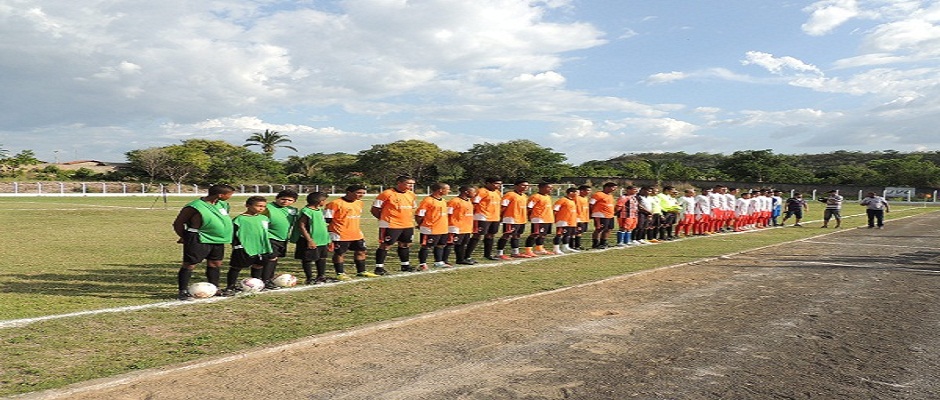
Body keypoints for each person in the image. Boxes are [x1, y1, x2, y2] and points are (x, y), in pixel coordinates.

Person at [172, 184, 235, 300]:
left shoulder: (223, 204)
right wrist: (185, 236)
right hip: (199, 237)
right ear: (220, 195)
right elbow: (178, 223)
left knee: (215, 263)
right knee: (190, 263)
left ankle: (214, 288)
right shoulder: (194, 206)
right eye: (229, 195)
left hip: (217, 239)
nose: (231, 197)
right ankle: (183, 291)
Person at [224, 196, 274, 296]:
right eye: (258, 206)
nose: (261, 208)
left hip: (261, 247)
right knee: (236, 267)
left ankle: (256, 284)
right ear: (248, 206)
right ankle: (230, 286)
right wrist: (237, 245)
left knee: (258, 265)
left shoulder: (264, 218)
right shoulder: (240, 219)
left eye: (263, 206)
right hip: (244, 247)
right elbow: (232, 234)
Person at [324, 185, 378, 278]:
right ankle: (340, 273)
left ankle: (361, 271)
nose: (361, 195)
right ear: (349, 192)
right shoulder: (335, 203)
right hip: (339, 233)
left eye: (363, 193)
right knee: (340, 253)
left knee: (361, 251)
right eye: (359, 193)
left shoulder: (359, 203)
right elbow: (327, 219)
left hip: (356, 233)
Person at [294, 192, 344, 284]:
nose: (324, 202)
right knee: (308, 259)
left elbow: (323, 226)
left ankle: (321, 276)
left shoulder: (319, 210)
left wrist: (328, 240)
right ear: (319, 201)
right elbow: (301, 226)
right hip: (310, 240)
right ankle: (309, 278)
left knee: (322, 258)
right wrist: (309, 240)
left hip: (322, 239)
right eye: (324, 200)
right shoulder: (306, 211)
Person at [371, 175, 418, 274]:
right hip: (390, 224)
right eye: (409, 183)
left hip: (407, 224)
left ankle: (405, 265)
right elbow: (375, 209)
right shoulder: (387, 193)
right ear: (399, 183)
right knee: (385, 245)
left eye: (412, 184)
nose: (411, 186)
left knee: (405, 244)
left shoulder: (411, 194)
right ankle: (379, 268)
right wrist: (383, 219)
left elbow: (412, 207)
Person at [261, 189, 298, 290]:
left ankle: (269, 278)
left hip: (282, 238)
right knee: (271, 258)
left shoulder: (293, 210)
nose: (286, 201)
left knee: (275, 258)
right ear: (277, 198)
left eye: (290, 200)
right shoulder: (267, 208)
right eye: (283, 199)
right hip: (269, 236)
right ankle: (266, 280)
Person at [416, 183, 451, 270]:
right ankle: (422, 264)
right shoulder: (428, 200)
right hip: (430, 228)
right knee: (426, 246)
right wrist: (421, 224)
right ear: (440, 190)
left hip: (442, 228)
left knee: (440, 245)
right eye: (447, 189)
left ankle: (438, 262)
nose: (449, 191)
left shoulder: (442, 200)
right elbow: (419, 215)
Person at [467, 177, 502, 261]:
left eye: (499, 184)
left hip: (494, 217)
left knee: (490, 235)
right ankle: (467, 255)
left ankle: (488, 254)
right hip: (482, 216)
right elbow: (474, 203)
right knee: (477, 235)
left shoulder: (497, 192)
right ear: (488, 183)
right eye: (496, 183)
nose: (498, 185)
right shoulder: (481, 191)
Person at [497, 180, 530, 259]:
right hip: (511, 218)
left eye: (527, 186)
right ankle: (499, 253)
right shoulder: (510, 195)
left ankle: (515, 252)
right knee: (507, 235)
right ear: (516, 186)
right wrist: (500, 216)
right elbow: (503, 206)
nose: (525, 187)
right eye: (523, 185)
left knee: (517, 235)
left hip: (521, 219)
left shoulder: (524, 196)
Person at [447, 185, 477, 265]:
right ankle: (445, 260)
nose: (475, 194)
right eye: (473, 192)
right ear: (466, 192)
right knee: (453, 243)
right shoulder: (454, 201)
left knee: (463, 244)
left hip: (466, 226)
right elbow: (448, 213)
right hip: (456, 226)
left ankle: (462, 259)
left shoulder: (468, 201)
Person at [524, 183, 554, 256]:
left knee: (543, 235)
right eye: (549, 187)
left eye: (551, 188)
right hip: (538, 218)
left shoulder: (548, 196)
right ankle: (528, 250)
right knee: (535, 234)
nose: (551, 189)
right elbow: (529, 207)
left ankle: (539, 248)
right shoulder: (535, 197)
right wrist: (530, 216)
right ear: (541, 188)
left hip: (547, 218)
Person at [590, 182, 618, 249]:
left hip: (610, 215)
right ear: (607, 187)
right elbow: (591, 204)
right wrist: (592, 213)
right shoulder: (598, 194)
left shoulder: (610, 195)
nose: (614, 189)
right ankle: (595, 243)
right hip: (600, 215)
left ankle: (603, 242)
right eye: (613, 187)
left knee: (609, 228)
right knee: (599, 229)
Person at [552, 187, 580, 254]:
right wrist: (556, 219)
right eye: (576, 192)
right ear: (571, 193)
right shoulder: (562, 200)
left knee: (567, 234)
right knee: (559, 234)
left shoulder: (572, 201)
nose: (578, 194)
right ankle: (556, 248)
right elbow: (555, 210)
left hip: (571, 221)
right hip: (563, 220)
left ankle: (565, 247)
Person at [573, 185, 592, 250]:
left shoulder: (585, 198)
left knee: (580, 232)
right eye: (587, 190)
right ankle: (573, 245)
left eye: (589, 190)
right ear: (581, 191)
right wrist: (577, 192)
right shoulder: (577, 197)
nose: (589, 192)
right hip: (578, 217)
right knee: (576, 232)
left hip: (584, 218)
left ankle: (578, 245)